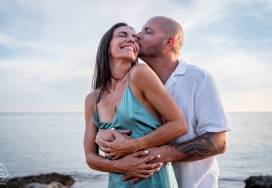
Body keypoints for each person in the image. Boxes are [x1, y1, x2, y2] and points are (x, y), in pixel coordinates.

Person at [96, 16, 230, 188]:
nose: (137, 35)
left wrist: (159, 154)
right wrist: (102, 135)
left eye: (148, 31)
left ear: (168, 42)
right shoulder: (130, 81)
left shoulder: (199, 78)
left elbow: (218, 142)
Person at [84, 22, 188, 188]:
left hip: (155, 182)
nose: (132, 39)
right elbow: (90, 157)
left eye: (134, 38)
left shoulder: (140, 73)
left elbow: (179, 125)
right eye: (123, 35)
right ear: (107, 47)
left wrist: (133, 145)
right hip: (118, 183)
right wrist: (118, 165)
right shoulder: (92, 99)